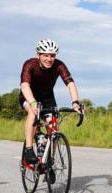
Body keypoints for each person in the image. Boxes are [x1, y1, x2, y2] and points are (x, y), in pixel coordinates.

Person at [19, 39, 83, 169]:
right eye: (46, 55)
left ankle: (50, 161)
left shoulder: (59, 65)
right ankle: (29, 149)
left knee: (53, 128)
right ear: (38, 55)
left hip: (47, 99)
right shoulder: (30, 64)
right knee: (33, 112)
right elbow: (25, 85)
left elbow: (70, 83)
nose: (49, 59)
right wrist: (32, 102)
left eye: (52, 56)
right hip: (29, 97)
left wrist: (75, 102)